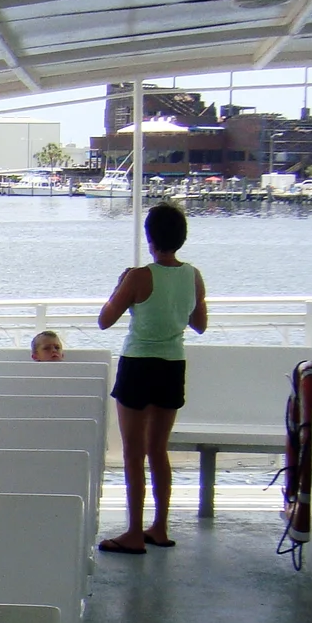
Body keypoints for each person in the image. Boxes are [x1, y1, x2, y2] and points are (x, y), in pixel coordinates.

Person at [97, 202, 208, 554]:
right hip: (172, 366)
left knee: (134, 453)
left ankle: (133, 532)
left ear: (150, 238)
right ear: (181, 237)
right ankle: (159, 526)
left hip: (138, 365)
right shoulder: (193, 276)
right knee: (158, 450)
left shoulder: (139, 276)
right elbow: (200, 324)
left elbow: (105, 320)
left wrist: (120, 287)